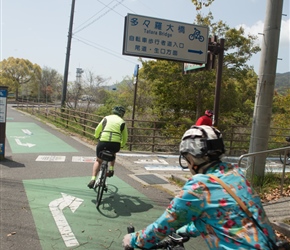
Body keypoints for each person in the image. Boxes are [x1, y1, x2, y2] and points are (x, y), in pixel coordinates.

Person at [123, 125, 277, 249]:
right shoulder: (236, 173)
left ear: (191, 158)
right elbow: (219, 216)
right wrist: (184, 230)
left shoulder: (198, 187)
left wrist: (134, 240)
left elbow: (162, 227)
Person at [87, 105, 128, 188]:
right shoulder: (122, 122)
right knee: (113, 153)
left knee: (98, 160)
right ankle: (111, 169)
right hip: (115, 144)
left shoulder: (106, 118)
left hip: (103, 142)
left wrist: (96, 136)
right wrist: (122, 144)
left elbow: (97, 129)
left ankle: (93, 179)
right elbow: (125, 136)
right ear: (122, 114)